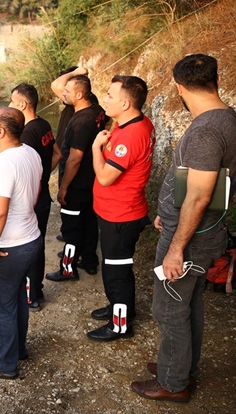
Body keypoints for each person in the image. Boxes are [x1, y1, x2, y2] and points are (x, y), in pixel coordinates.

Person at [131, 54, 236, 402]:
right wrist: (168, 209)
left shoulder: (206, 129)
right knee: (188, 304)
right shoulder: (226, 118)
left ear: (178, 87)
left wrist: (176, 246)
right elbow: (205, 186)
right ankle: (178, 364)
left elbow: (200, 196)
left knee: (169, 307)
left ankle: (173, 383)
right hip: (198, 232)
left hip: (191, 239)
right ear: (215, 79)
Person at [0, 107, 43, 379]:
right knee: (16, 299)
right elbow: (32, 194)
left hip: (7, 248)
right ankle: (17, 348)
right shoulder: (30, 153)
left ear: (1, 132)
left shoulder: (3, 164)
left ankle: (3, 364)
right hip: (29, 238)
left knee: (0, 306)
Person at [86, 75, 155, 342]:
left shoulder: (131, 134)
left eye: (110, 96)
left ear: (126, 103)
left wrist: (95, 148)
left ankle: (120, 324)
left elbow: (105, 176)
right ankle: (119, 307)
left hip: (121, 215)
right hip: (117, 211)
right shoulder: (135, 122)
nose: (105, 99)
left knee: (117, 272)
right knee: (116, 267)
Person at [46, 67, 106, 282]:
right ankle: (89, 261)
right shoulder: (97, 110)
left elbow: (75, 158)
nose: (64, 95)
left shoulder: (80, 121)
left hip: (78, 184)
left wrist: (63, 187)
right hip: (92, 182)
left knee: (71, 230)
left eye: (68, 92)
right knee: (89, 223)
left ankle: (67, 269)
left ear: (79, 94)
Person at [9, 83, 61, 311]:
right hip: (43, 196)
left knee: (27, 245)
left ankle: (31, 294)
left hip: (31, 199)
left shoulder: (27, 132)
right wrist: (43, 176)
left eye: (12, 101)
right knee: (37, 245)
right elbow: (57, 153)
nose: (10, 105)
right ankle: (36, 290)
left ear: (22, 104)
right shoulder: (44, 124)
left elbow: (23, 169)